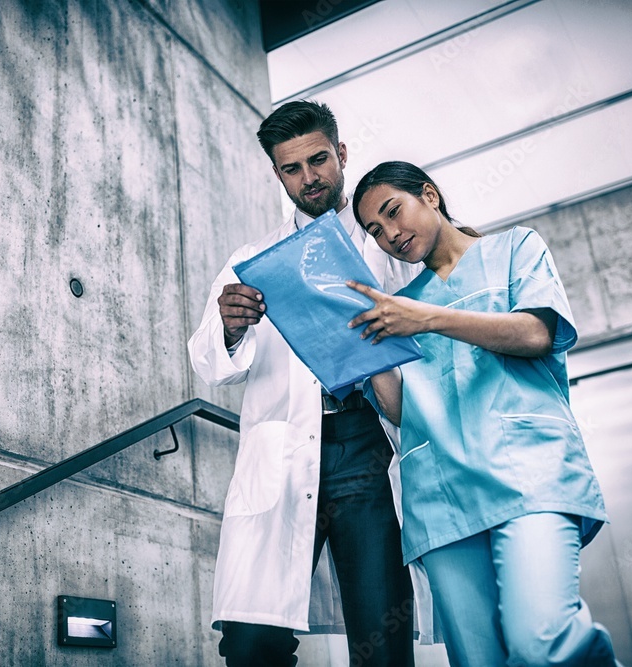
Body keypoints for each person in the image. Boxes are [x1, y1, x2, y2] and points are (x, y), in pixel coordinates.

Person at [345, 160, 620, 667]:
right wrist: (364, 351)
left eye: (393, 212)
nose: (390, 235)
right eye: (376, 231)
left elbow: (537, 334)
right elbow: (402, 411)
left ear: (429, 195)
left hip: (529, 476)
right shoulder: (401, 307)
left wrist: (428, 319)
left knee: (543, 639)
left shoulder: (515, 249)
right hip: (442, 497)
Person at [188, 103, 423, 666]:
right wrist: (228, 324)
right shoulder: (251, 260)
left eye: (319, 160)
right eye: (292, 168)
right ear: (278, 174)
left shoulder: (385, 245)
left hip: (366, 446)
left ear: (341, 154)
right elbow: (208, 364)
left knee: (380, 635)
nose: (309, 177)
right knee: (249, 644)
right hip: (283, 453)